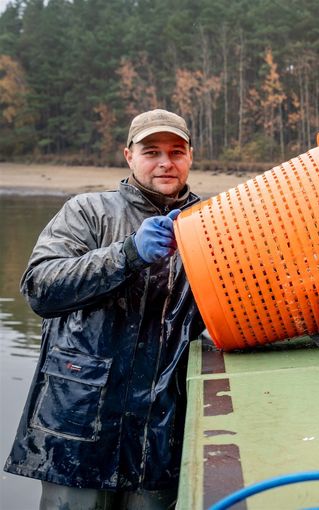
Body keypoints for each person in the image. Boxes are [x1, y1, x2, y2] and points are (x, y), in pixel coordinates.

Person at [4, 109, 205, 510]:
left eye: (176, 151)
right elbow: (40, 288)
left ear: (190, 157)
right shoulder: (86, 211)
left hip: (163, 432)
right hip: (77, 424)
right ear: (129, 156)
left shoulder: (210, 222)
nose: (165, 162)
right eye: (151, 151)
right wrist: (128, 253)